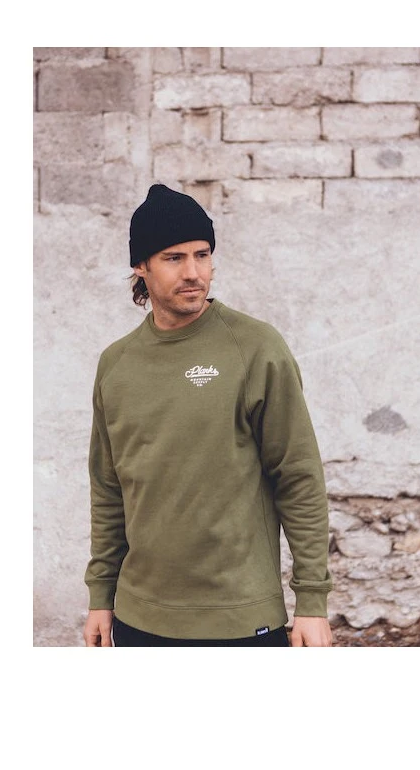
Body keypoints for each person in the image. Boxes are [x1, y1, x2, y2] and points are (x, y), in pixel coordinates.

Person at [83, 183, 334, 647]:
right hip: (139, 615)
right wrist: (101, 595)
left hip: (239, 616)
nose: (193, 272)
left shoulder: (256, 348)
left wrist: (312, 602)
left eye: (202, 255)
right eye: (174, 258)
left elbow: (298, 477)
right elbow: (108, 487)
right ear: (140, 266)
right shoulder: (116, 364)